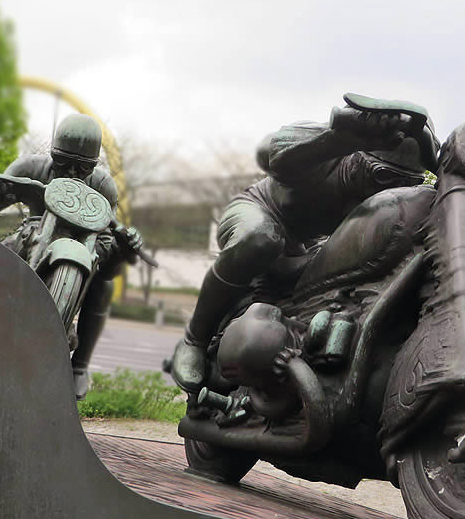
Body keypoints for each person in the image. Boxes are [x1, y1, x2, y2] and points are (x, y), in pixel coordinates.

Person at [170, 99, 439, 393]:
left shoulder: (383, 200)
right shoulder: (324, 158)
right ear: (358, 156)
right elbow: (269, 152)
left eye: (402, 184)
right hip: (263, 212)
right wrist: (335, 136)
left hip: (311, 245)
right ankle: (194, 339)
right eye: (381, 176)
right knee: (260, 239)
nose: (384, 191)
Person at [0, 113, 142, 398]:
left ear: (94, 165)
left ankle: (78, 366)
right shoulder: (30, 168)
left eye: (82, 168)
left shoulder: (103, 187)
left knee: (104, 286)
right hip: (31, 238)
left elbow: (106, 253)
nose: (71, 173)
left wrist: (120, 250)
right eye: (63, 162)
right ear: (52, 154)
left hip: (81, 250)